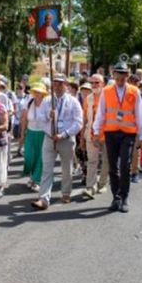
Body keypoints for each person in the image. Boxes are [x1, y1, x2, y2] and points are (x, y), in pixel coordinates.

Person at [92, 61, 142, 213]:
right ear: (114, 74)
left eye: (124, 74)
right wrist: (96, 132)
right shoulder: (107, 90)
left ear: (127, 75)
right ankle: (115, 197)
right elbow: (101, 113)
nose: (121, 77)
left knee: (125, 165)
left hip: (128, 133)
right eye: (118, 74)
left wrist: (141, 135)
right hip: (110, 132)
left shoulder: (134, 91)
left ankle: (124, 198)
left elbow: (140, 114)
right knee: (113, 167)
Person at [31, 73, 83, 210]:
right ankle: (43, 198)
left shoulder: (73, 101)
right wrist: (48, 116)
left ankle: (66, 192)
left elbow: (78, 123)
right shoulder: (47, 101)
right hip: (49, 138)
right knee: (47, 169)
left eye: (61, 83)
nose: (58, 86)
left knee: (67, 168)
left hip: (66, 139)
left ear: (66, 85)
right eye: (55, 83)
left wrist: (64, 134)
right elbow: (39, 118)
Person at [81, 74, 109, 199]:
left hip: (107, 136)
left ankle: (102, 184)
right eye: (92, 83)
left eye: (97, 82)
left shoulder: (108, 97)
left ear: (103, 84)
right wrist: (82, 137)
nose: (94, 85)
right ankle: (90, 187)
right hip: (91, 135)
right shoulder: (88, 99)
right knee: (92, 161)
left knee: (106, 162)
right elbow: (85, 119)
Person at [20, 83, 48, 192]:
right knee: (29, 156)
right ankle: (32, 176)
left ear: (43, 94)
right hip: (31, 132)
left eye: (39, 92)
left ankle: (36, 180)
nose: (36, 94)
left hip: (43, 133)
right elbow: (24, 119)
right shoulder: (29, 102)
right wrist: (22, 134)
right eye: (35, 91)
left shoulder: (47, 103)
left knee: (40, 157)